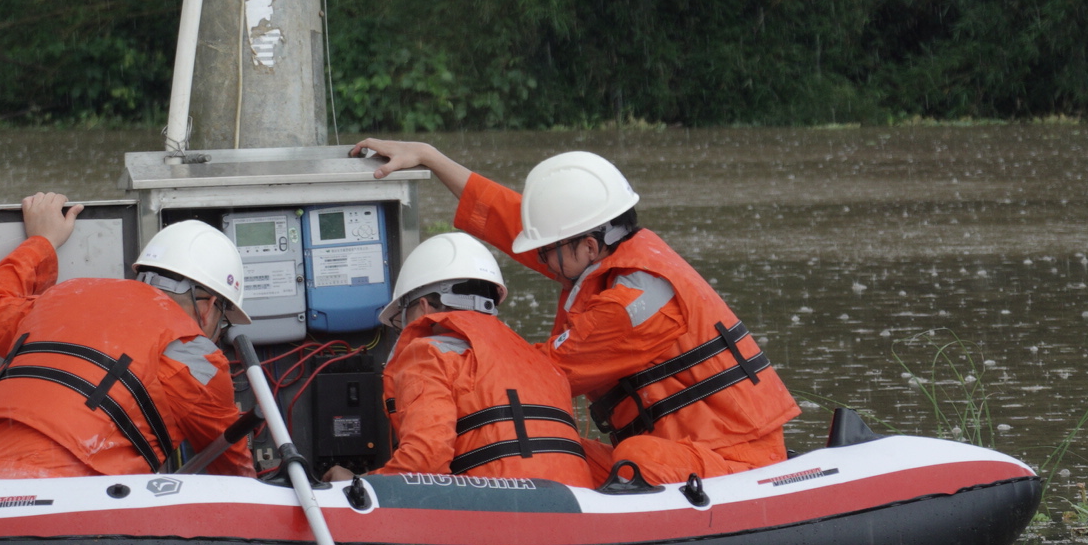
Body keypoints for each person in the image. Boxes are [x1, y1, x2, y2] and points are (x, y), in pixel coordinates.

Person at [348, 141, 798, 484]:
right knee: (562, 451)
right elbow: (512, 220)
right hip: (687, 446)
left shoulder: (631, 306)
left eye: (547, 252)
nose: (541, 260)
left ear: (588, 246)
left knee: (634, 457)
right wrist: (430, 158)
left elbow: (537, 375)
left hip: (732, 459)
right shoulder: (610, 253)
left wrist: (443, 354)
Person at [0, 192, 254, 479]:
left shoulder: (64, 296)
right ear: (211, 306)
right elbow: (230, 468)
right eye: (224, 322)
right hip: (74, 487)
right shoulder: (193, 353)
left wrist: (42, 241)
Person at [337, 232, 601, 488]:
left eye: (403, 318)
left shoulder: (428, 354)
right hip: (575, 505)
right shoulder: (541, 361)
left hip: (500, 508)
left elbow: (423, 465)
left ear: (424, 307)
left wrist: (355, 485)